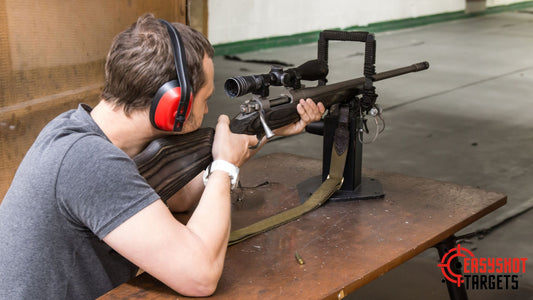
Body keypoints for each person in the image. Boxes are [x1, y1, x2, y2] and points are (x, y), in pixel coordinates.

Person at [0, 13, 325, 299]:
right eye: (205, 98)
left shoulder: (77, 130)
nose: (209, 109)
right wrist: (224, 167)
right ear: (173, 104)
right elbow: (200, 276)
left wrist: (263, 133)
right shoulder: (90, 163)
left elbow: (179, 196)